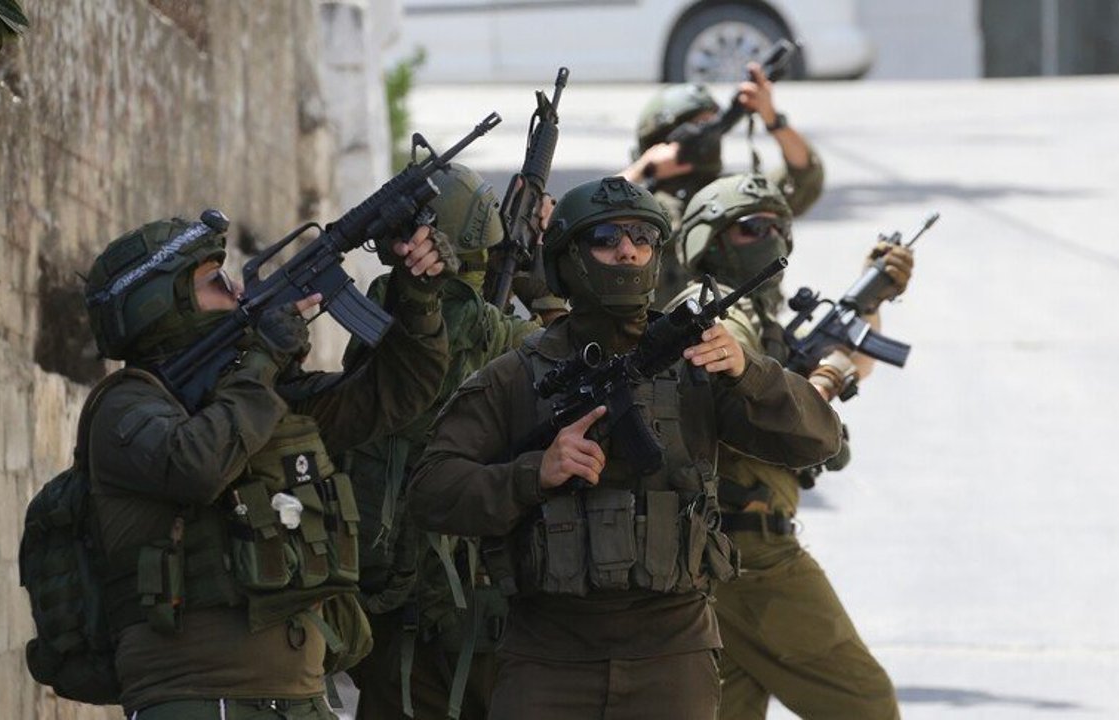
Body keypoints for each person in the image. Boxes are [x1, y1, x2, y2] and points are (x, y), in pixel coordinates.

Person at [407, 176, 843, 720]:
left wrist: (749, 372)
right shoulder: (516, 376)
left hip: (673, 654)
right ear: (566, 260)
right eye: (605, 238)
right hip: (548, 657)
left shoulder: (698, 364)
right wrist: (533, 473)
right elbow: (431, 491)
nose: (627, 251)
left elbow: (819, 440)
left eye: (642, 237)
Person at [81, 210, 454, 719]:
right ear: (164, 305)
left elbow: (395, 392)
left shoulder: (260, 397)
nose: (238, 290)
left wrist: (418, 296)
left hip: (300, 699)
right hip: (200, 703)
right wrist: (263, 361)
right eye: (217, 282)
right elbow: (198, 465)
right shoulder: (127, 406)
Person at [664, 173, 913, 720]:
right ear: (710, 241)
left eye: (778, 225)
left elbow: (846, 359)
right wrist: (824, 382)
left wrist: (871, 297)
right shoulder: (719, 321)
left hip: (720, 555)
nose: (771, 236)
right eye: (751, 227)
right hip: (752, 557)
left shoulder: (748, 319)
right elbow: (754, 417)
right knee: (866, 705)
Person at [344, 164, 547, 720]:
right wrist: (538, 276)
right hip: (472, 595)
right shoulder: (498, 332)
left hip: (386, 582)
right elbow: (565, 348)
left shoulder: (382, 310)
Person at [618, 64, 824, 306]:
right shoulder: (637, 206)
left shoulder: (733, 196)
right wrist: (641, 170)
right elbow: (590, 218)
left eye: (711, 126)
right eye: (697, 128)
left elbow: (803, 176)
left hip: (741, 324)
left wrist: (772, 118)